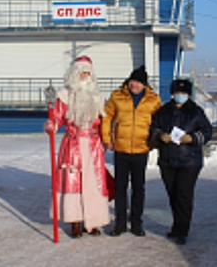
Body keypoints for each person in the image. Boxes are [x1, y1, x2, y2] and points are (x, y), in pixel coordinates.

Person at [43, 56, 110, 238]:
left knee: (93, 184)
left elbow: (105, 122)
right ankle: (75, 222)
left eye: (87, 72)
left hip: (93, 147)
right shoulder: (64, 96)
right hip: (72, 145)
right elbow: (57, 118)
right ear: (74, 73)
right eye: (81, 72)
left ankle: (94, 221)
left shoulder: (98, 97)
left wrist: (107, 139)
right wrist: (52, 124)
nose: (84, 75)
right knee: (73, 183)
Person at [101, 65, 162, 237]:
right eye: (132, 81)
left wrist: (155, 140)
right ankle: (120, 223)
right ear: (128, 81)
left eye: (138, 82)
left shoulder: (153, 100)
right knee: (120, 187)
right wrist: (107, 139)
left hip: (141, 149)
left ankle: (136, 223)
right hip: (121, 149)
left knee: (138, 188)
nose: (134, 85)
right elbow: (107, 118)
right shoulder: (117, 96)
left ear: (144, 85)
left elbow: (159, 122)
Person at [150, 79, 212, 245]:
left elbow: (207, 132)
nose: (180, 96)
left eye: (184, 93)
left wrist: (192, 138)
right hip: (167, 160)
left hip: (189, 161)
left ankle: (182, 230)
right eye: (178, 92)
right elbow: (153, 128)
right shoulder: (163, 111)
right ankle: (177, 225)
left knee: (183, 195)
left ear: (189, 94)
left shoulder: (196, 112)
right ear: (172, 93)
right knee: (173, 195)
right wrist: (159, 135)